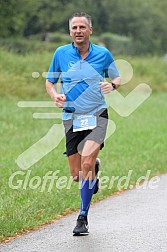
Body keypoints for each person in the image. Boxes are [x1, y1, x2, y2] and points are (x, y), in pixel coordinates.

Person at [46, 12, 121, 235]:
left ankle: (82, 217)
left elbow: (116, 77)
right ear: (70, 32)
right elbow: (50, 82)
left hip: (97, 114)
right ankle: (94, 169)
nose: (78, 31)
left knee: (86, 163)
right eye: (74, 27)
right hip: (71, 117)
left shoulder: (103, 54)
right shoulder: (60, 53)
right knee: (77, 175)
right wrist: (54, 96)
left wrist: (112, 86)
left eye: (82, 27)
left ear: (90, 30)